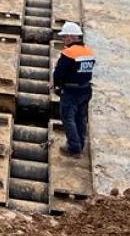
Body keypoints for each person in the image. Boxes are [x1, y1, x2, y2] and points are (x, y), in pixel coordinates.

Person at [52, 21, 95, 157]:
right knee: (80, 118)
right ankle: (80, 144)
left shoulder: (69, 53)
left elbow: (59, 72)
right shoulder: (89, 52)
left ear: (71, 37)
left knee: (68, 118)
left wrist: (57, 85)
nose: (63, 40)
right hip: (86, 90)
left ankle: (74, 148)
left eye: (64, 37)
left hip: (71, 92)